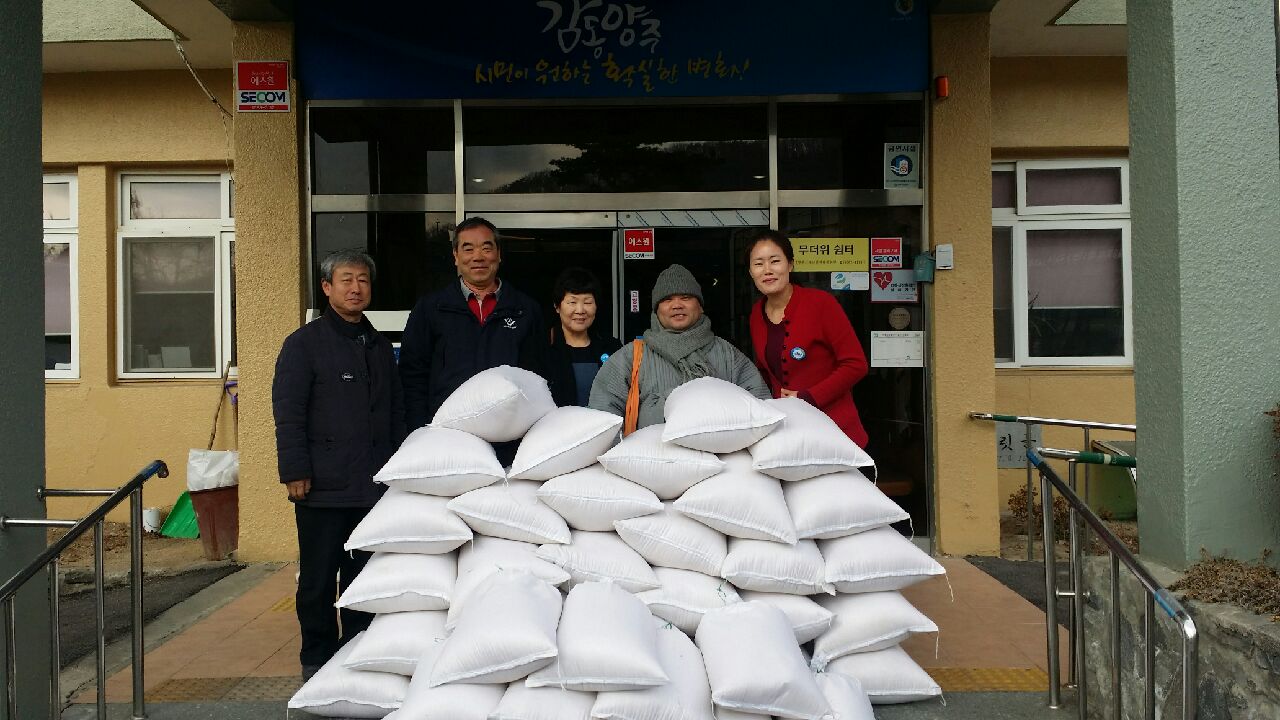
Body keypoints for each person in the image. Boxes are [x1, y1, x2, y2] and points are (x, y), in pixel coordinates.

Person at [271, 249, 405, 680]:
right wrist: (294, 470)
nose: (355, 288)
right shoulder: (303, 344)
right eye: (346, 280)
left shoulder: (380, 345)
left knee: (363, 579)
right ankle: (317, 660)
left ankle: (358, 657)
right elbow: (288, 411)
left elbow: (395, 414)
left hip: (371, 488)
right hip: (321, 488)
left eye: (363, 280)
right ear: (327, 287)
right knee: (316, 582)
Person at [399, 217, 548, 431]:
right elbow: (413, 375)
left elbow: (537, 377)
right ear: (456, 257)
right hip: (446, 431)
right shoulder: (430, 309)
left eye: (486, 248)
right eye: (468, 249)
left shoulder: (525, 309)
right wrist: (420, 429)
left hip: (510, 432)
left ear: (499, 254)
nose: (478, 257)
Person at [590, 264, 768, 429]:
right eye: (667, 299)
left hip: (719, 459)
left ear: (700, 306)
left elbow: (761, 407)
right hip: (651, 460)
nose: (677, 305)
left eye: (686, 297)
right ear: (656, 309)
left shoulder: (728, 354)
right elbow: (603, 415)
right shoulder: (631, 357)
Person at [746, 230, 869, 447]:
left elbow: (856, 364)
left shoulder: (821, 303)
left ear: (790, 265)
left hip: (836, 430)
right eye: (758, 264)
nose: (767, 270)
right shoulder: (757, 313)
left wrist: (809, 397)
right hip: (790, 433)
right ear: (750, 271)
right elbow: (765, 372)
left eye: (775, 261)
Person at [547, 267, 622, 407]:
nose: (580, 310)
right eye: (572, 302)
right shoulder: (542, 349)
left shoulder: (613, 348)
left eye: (587, 302)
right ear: (557, 307)